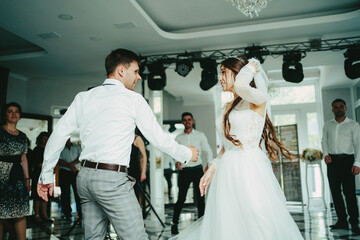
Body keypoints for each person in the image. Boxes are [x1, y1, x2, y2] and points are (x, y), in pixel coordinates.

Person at [37, 48, 198, 240]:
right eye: (136, 71)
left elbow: (58, 134)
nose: (138, 77)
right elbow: (157, 138)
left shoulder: (84, 97)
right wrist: (187, 154)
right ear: (122, 71)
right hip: (111, 180)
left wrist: (46, 175)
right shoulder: (133, 99)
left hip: (85, 178)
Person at [171, 56, 303, 240]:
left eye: (223, 72)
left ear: (239, 74)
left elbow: (241, 87)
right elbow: (227, 145)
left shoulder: (258, 99)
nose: (219, 78)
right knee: (229, 222)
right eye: (219, 73)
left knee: (258, 216)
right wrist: (213, 168)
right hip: (227, 170)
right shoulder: (225, 108)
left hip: (249, 166)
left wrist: (251, 65)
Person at [322, 98, 360, 233]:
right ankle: (342, 221)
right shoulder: (327, 125)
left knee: (349, 193)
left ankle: (354, 222)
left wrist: (357, 163)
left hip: (348, 161)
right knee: (336, 193)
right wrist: (325, 154)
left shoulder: (353, 125)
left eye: (341, 106)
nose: (338, 109)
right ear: (332, 109)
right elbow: (324, 141)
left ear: (345, 108)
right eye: (336, 107)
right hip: (332, 162)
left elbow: (358, 145)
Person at [171, 112, 213, 234]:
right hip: (184, 171)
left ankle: (202, 223)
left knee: (200, 198)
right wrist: (176, 161)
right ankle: (174, 223)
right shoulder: (178, 138)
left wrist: (209, 164)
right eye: (185, 120)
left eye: (189, 119)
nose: (187, 121)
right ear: (182, 122)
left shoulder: (200, 135)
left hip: (197, 170)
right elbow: (175, 152)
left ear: (193, 121)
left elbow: (208, 150)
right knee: (181, 198)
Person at [0, 102, 30, 240]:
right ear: (5, 114)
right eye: (10, 111)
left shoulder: (23, 136)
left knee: (20, 211)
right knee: (0, 212)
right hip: (2, 175)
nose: (13, 113)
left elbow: (23, 158)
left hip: (18, 177)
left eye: (16, 111)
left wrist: (27, 179)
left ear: (19, 115)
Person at [58, 138, 82, 221]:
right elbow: (59, 160)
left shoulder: (77, 147)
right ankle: (67, 213)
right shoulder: (60, 148)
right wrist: (70, 166)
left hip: (75, 172)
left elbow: (81, 157)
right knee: (65, 193)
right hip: (64, 172)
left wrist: (71, 165)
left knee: (78, 192)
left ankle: (80, 213)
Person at [31, 132, 52, 224]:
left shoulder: (49, 150)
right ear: (40, 139)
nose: (46, 140)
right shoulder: (37, 149)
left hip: (46, 175)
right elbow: (38, 164)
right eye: (44, 138)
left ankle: (44, 214)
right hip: (38, 174)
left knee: (45, 195)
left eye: (47, 138)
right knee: (37, 195)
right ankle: (36, 215)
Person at [128, 131, 147, 205]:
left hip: (134, 170)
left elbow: (144, 156)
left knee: (135, 193)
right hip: (124, 171)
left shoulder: (137, 138)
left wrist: (143, 172)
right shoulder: (123, 138)